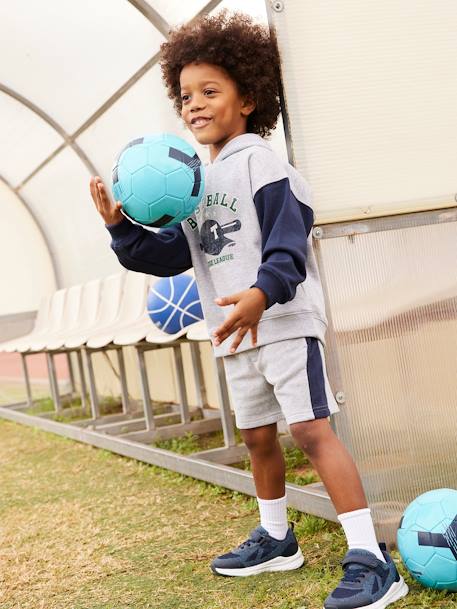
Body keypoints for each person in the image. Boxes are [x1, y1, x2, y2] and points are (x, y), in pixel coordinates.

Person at [89, 11, 408, 609]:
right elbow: (166, 258)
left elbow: (289, 243)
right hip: (233, 334)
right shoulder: (191, 185)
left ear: (249, 97)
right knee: (257, 436)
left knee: (312, 430)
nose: (194, 105)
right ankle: (277, 538)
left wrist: (262, 294)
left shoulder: (264, 164)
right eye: (185, 96)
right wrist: (119, 228)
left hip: (283, 323)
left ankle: (371, 557)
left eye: (211, 91)